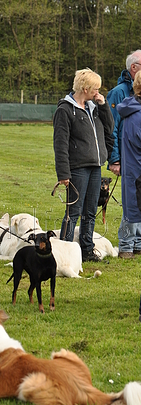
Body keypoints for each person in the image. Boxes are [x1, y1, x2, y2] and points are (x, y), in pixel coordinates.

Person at [53, 68, 114, 262]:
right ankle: (64, 250)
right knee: (74, 210)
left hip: (95, 166)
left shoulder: (94, 108)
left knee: (90, 210)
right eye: (95, 88)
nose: (98, 92)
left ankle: (87, 249)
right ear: (85, 88)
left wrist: (103, 106)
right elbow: (60, 143)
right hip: (77, 168)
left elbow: (109, 128)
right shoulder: (64, 110)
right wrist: (63, 172)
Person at [107, 49, 141, 258]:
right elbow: (112, 128)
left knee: (136, 201)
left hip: (133, 156)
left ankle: (136, 242)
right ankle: (128, 243)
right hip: (129, 157)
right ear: (134, 67)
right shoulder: (120, 92)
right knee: (131, 202)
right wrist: (115, 158)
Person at [116, 72, 141, 261]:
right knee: (131, 209)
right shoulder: (136, 113)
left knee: (135, 207)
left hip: (134, 166)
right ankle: (126, 246)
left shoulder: (132, 109)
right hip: (135, 167)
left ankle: (137, 245)